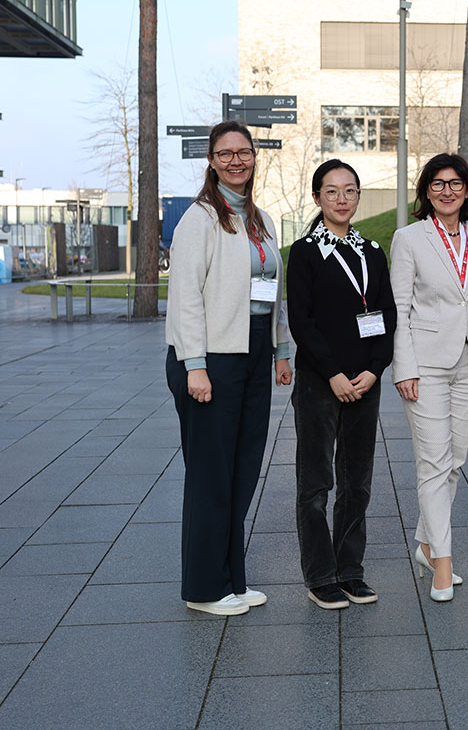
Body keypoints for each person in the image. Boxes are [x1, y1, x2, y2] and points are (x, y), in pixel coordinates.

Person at [165, 120, 293, 616]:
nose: (236, 160)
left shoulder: (259, 218)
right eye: (226, 153)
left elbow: (271, 291)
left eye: (244, 152)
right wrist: (194, 365)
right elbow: (186, 298)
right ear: (212, 160)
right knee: (211, 475)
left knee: (242, 471)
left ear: (255, 157)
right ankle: (203, 589)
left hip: (254, 352)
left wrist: (281, 351)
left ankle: (231, 580)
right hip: (211, 359)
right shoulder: (200, 219)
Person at [391, 152, 468, 602]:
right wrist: (404, 367)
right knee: (433, 463)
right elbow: (399, 307)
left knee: (454, 460)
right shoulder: (409, 238)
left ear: (467, 191)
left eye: (455, 183)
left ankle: (425, 543)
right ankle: (443, 562)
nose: (447, 191)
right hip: (427, 364)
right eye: (437, 183)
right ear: (426, 191)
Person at [287, 160, 396, 610]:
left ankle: (350, 570)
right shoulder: (306, 252)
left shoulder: (371, 250)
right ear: (317, 198)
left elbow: (386, 315)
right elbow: (302, 322)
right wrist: (333, 373)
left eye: (349, 191)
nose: (341, 199)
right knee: (316, 483)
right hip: (320, 381)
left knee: (358, 482)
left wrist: (375, 369)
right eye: (331, 192)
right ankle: (320, 574)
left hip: (365, 381)